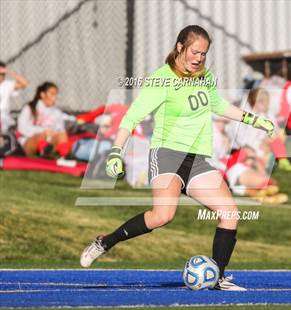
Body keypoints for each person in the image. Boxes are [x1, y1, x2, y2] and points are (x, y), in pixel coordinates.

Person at [80, 25, 275, 291]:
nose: (199, 58)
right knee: (162, 216)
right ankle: (106, 241)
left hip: (196, 160)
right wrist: (116, 150)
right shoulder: (161, 79)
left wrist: (253, 119)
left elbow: (217, 104)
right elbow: (131, 117)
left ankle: (218, 277)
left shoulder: (204, 76)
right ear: (180, 47)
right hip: (167, 155)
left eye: (204, 54)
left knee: (229, 213)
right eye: (195, 52)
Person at [228, 88, 291, 171]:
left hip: (263, 144)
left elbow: (274, 128)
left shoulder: (266, 114)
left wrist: (268, 138)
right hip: (248, 146)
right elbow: (240, 138)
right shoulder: (243, 116)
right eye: (264, 102)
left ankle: (282, 160)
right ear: (256, 102)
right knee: (254, 159)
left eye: (267, 101)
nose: (267, 105)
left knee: (278, 136)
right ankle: (262, 163)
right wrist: (256, 146)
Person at [17, 82, 71, 157]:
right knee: (41, 136)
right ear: (42, 95)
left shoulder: (57, 112)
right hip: (30, 141)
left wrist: (54, 133)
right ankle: (44, 151)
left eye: (56, 94)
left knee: (63, 134)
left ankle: (64, 157)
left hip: (49, 141)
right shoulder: (29, 108)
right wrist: (43, 131)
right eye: (52, 94)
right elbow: (21, 128)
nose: (55, 97)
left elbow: (60, 129)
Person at [0, 61, 28, 134]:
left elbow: (24, 83)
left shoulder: (7, 84)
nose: (1, 76)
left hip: (4, 118)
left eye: (2, 74)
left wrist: (10, 71)